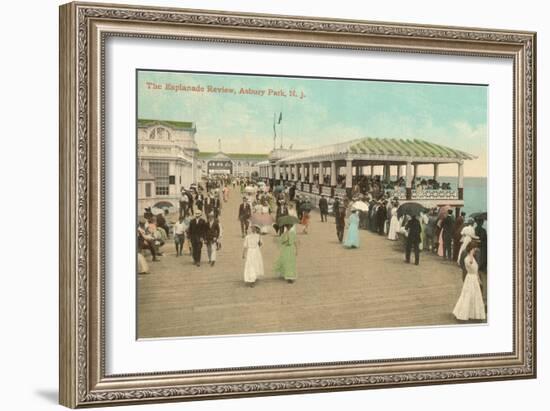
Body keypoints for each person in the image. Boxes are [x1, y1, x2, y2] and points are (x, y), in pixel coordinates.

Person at [453, 241, 486, 321]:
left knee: (475, 296)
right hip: (470, 279)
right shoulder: (468, 258)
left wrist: (478, 279)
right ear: (471, 249)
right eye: (474, 249)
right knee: (468, 296)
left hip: (474, 279)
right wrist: (471, 253)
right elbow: (470, 264)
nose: (475, 251)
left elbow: (476, 270)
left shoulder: (472, 258)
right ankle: (464, 313)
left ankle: (473, 313)